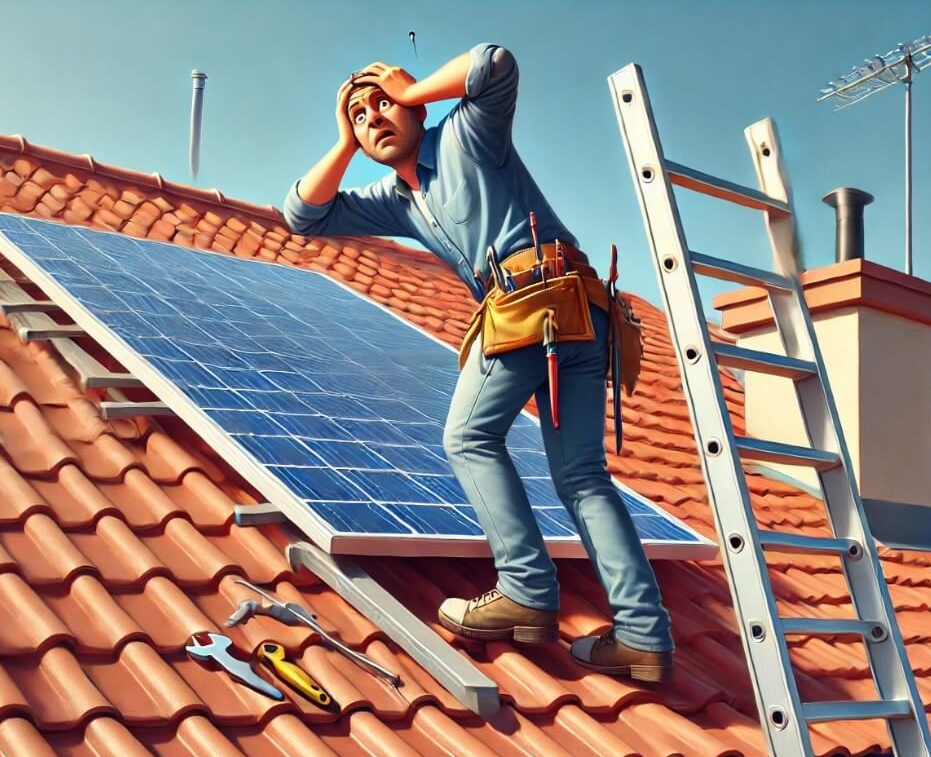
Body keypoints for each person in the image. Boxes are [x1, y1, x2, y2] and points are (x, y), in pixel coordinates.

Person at [282, 43, 673, 682]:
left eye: (383, 104)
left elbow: (494, 63)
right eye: (360, 115)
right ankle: (644, 635)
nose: (375, 117)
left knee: (465, 436)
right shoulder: (396, 199)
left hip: (537, 305)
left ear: (414, 106)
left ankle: (524, 586)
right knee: (581, 478)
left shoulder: (467, 134)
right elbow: (303, 214)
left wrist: (407, 93)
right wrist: (348, 141)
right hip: (577, 316)